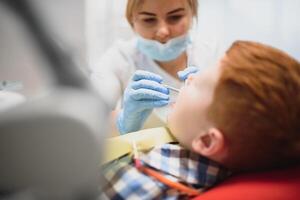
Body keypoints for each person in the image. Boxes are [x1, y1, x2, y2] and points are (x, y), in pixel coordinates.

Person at [101, 41, 300, 199]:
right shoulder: (201, 144)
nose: (189, 79)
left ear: (207, 141)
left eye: (197, 83)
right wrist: (123, 121)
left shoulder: (144, 183)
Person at [90, 0, 222, 134]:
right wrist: (123, 121)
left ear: (192, 14)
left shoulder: (211, 55)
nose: (163, 31)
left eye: (175, 17)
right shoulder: (118, 59)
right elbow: (90, 117)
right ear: (131, 21)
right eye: (148, 20)